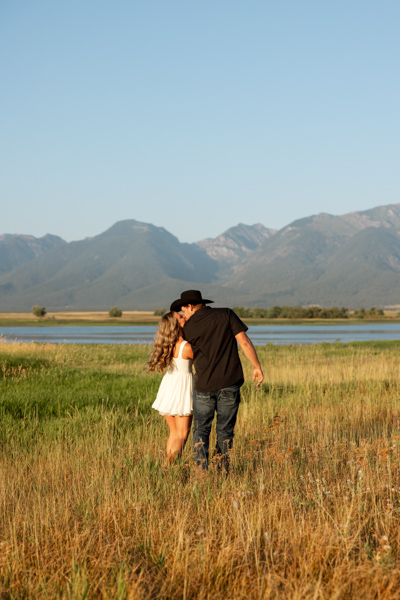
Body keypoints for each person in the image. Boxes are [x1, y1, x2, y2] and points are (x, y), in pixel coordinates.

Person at [170, 290, 264, 472]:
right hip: (230, 382)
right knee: (225, 430)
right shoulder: (226, 314)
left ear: (190, 306)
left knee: (201, 429)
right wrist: (257, 366)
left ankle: (201, 472)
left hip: (204, 386)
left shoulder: (188, 328)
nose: (184, 315)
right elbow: (243, 341)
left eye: (184, 310)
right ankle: (222, 469)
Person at [148, 311, 194, 465]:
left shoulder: (168, 344)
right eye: (181, 317)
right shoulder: (186, 347)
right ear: (176, 325)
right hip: (182, 388)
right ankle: (167, 469)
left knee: (174, 433)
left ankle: (167, 468)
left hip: (169, 386)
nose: (184, 316)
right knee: (182, 435)